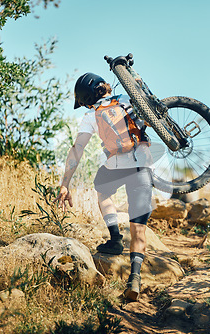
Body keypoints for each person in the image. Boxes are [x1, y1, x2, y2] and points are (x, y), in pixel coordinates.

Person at [54, 72, 153, 301]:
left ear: (87, 98)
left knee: (102, 188)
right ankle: (135, 277)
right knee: (138, 229)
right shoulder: (127, 100)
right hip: (143, 168)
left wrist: (65, 183)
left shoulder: (91, 115)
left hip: (115, 167)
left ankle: (115, 238)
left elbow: (77, 149)